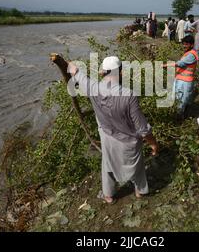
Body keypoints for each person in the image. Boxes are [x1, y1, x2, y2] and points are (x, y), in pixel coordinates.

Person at [68, 56, 159, 204]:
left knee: (108, 165)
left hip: (107, 137)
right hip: (128, 141)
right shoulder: (129, 95)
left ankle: (109, 196)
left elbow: (75, 71)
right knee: (137, 166)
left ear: (102, 72)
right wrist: (153, 143)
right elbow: (142, 127)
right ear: (120, 73)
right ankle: (140, 191)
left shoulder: (93, 87)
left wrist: (61, 60)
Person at [163, 35, 198, 118]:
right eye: (183, 44)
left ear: (192, 45)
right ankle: (179, 115)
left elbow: (180, 63)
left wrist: (165, 65)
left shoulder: (192, 55)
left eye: (186, 44)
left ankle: (180, 117)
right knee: (178, 98)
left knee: (182, 100)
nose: (184, 46)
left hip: (185, 82)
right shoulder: (188, 53)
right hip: (180, 79)